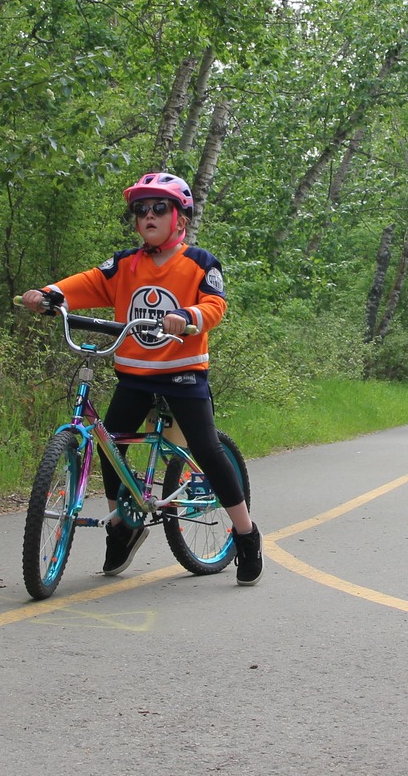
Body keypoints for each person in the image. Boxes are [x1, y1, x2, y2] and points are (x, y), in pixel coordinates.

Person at [20, 173, 263, 584]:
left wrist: (188, 317)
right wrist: (50, 294)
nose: (148, 215)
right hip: (134, 375)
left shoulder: (199, 263)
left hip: (183, 374)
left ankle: (245, 533)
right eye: (141, 209)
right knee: (109, 442)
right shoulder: (125, 264)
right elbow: (88, 283)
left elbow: (215, 305)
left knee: (205, 446)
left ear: (180, 219)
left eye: (159, 208)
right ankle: (123, 524)